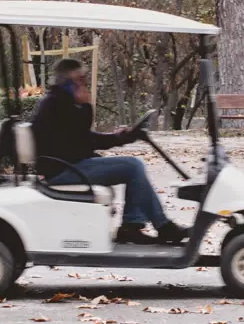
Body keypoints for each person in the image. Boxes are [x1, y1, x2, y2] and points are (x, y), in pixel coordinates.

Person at [30, 58, 189, 245]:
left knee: (132, 167)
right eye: (80, 79)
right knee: (132, 166)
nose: (85, 83)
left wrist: (117, 137)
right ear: (66, 82)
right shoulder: (56, 104)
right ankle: (157, 226)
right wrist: (89, 109)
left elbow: (81, 137)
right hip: (63, 170)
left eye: (85, 78)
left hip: (70, 165)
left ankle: (133, 225)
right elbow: (84, 140)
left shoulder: (64, 102)